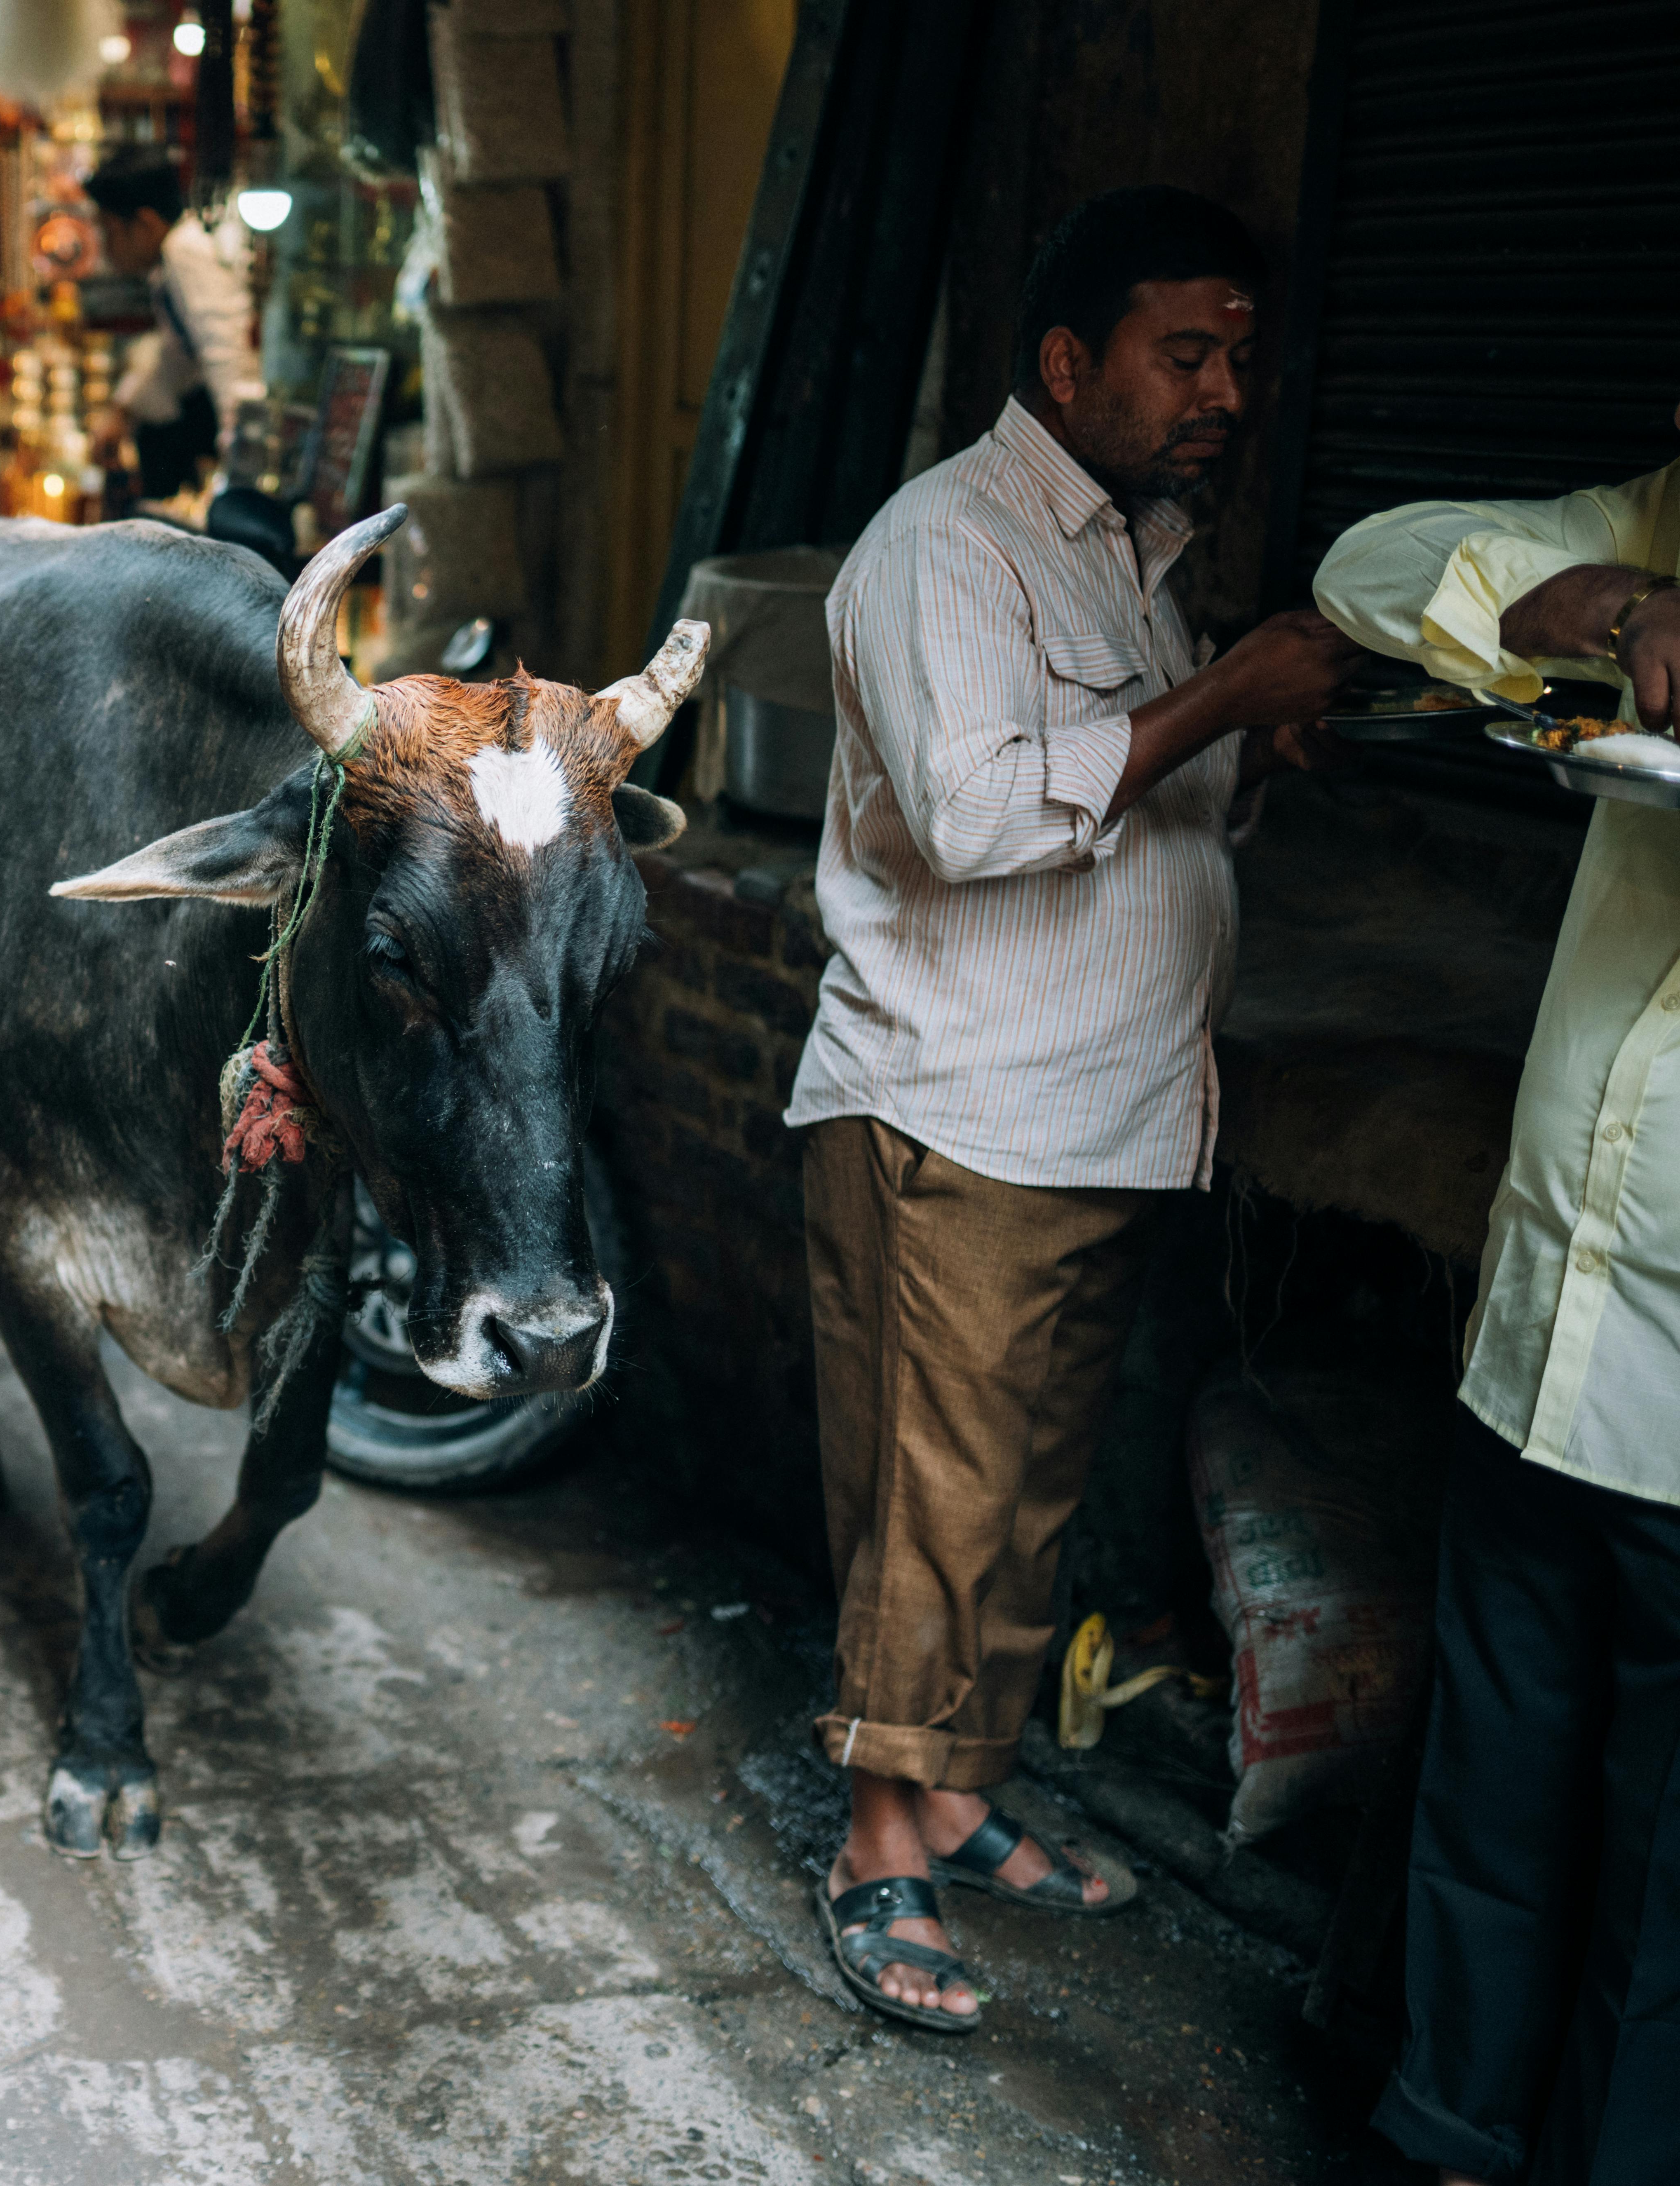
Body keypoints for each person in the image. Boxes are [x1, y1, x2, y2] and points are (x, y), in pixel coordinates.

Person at [779, 186, 1358, 2032]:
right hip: (955, 1110)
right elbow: (972, 820)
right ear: (1061, 361)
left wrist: (1228, 742)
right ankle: (874, 1854)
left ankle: (956, 1799)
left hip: (1092, 1113)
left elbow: (1130, 814)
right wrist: (1214, 702)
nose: (1219, 393)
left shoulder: (1125, 548)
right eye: (1179, 355)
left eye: (1234, 361)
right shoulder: (943, 547)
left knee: (1019, 1504)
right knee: (930, 1512)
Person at [1313, 421, 1680, 2184]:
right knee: (1489, 1797)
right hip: (1546, 1335)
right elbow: (1371, 566)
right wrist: (1618, 605)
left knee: (1656, 1894)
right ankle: (1440, 2143)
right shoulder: (1653, 529)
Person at [82, 149, 261, 500]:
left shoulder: (185, 255)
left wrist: (241, 471)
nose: (105, 248)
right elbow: (176, 356)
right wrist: (124, 411)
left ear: (146, 224)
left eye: (110, 231)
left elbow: (226, 355)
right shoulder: (172, 260)